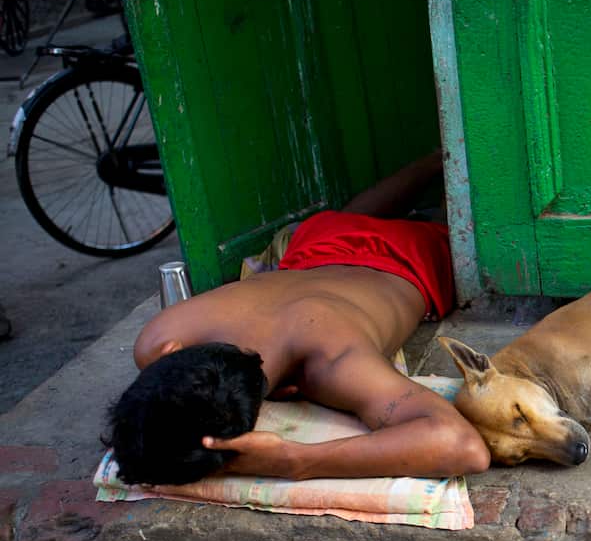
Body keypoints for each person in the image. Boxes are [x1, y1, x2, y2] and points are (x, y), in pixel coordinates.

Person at [108, 152, 489, 484]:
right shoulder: (161, 336)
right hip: (318, 242)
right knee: (347, 221)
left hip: (413, 256)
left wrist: (297, 461)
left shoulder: (334, 362)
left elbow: (463, 446)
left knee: (451, 223)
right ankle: (435, 160)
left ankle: (445, 159)